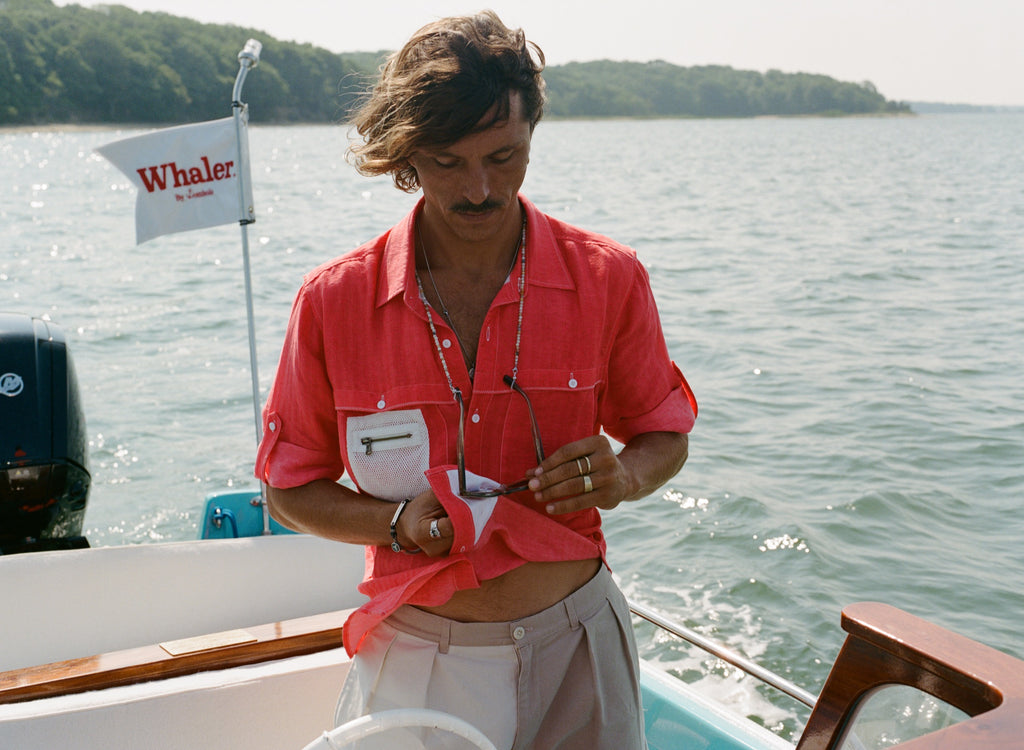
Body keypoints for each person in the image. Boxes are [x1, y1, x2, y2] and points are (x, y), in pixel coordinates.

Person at [255, 10, 696, 749]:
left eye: (505, 156)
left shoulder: (610, 277)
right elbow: (288, 487)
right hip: (418, 655)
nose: (479, 189)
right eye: (448, 161)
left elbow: (665, 434)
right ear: (405, 156)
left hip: (578, 647)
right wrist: (394, 525)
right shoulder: (333, 300)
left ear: (532, 139)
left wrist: (622, 476)